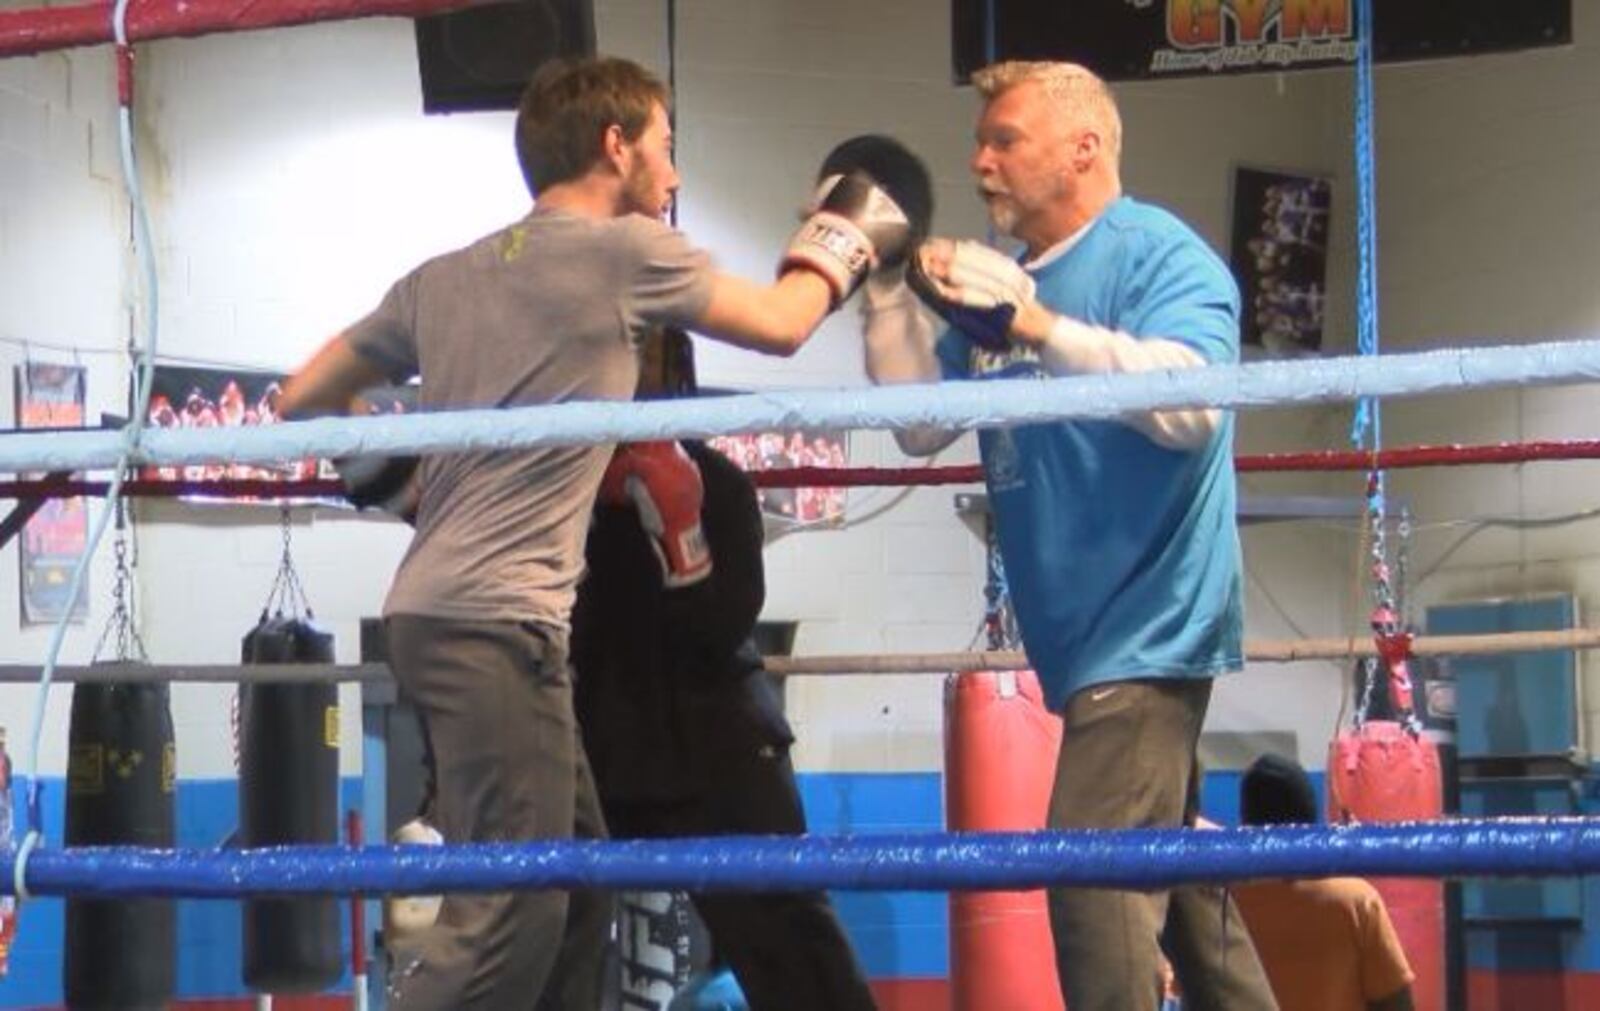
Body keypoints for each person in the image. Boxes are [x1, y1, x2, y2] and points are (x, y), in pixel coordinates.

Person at [279, 54, 915, 1011]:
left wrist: (417, 492)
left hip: (439, 612)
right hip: (502, 626)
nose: (674, 176)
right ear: (614, 145)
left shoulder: (440, 278)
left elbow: (300, 398)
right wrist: (852, 228)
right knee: (517, 909)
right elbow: (785, 322)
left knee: (573, 892)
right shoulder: (626, 253)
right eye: (664, 147)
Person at [857, 60, 1275, 1010]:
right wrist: (882, 285)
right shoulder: (1007, 288)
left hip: (1152, 623)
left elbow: (1195, 407)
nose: (981, 162)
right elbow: (920, 421)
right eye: (982, 143)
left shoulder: (1159, 255)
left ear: (1082, 147)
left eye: (1005, 140)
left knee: (1088, 874)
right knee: (1174, 893)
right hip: (1079, 640)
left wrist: (1038, 324)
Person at [571, 327, 877, 1011]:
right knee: (544, 933)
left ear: (676, 370)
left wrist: (682, 537)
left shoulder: (718, 485)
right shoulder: (562, 496)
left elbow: (722, 626)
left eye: (643, 354)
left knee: (794, 945)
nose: (626, 372)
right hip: (602, 748)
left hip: (717, 746)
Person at [1233, 754, 1416, 1011]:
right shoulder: (1356, 901)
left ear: (1245, 820)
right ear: (1309, 816)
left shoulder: (1222, 903)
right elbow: (1396, 1003)